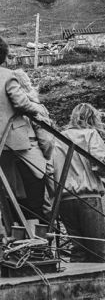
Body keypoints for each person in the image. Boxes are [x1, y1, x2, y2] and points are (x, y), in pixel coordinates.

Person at [52, 103, 105, 262]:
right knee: (98, 248)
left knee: (78, 248)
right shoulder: (91, 134)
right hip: (88, 195)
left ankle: (78, 283)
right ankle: (101, 283)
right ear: (92, 118)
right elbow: (100, 164)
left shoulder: (58, 137)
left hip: (64, 197)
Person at [0, 55, 53, 222]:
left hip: (6, 148)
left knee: (13, 198)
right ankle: (39, 241)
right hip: (21, 146)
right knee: (37, 198)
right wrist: (36, 112)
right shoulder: (7, 75)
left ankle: (17, 235)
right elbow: (47, 140)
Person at [14, 69, 56, 218]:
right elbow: (47, 140)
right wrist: (47, 155)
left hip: (11, 160)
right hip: (34, 160)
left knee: (18, 205)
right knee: (41, 203)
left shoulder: (9, 109)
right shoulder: (34, 107)